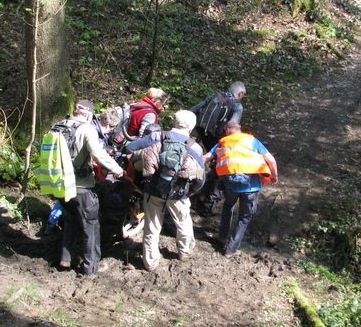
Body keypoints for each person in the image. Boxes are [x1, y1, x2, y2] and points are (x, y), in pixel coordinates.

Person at [126, 110, 205, 271]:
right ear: (191, 128)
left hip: (153, 189)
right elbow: (201, 177)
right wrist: (190, 192)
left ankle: (150, 262)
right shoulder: (195, 147)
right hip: (179, 193)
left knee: (152, 226)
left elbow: (130, 148)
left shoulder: (156, 136)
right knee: (183, 223)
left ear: (174, 122)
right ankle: (184, 252)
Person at [59, 99, 125, 276]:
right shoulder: (87, 129)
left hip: (59, 184)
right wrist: (117, 169)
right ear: (89, 114)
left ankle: (66, 258)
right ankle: (91, 267)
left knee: (71, 221)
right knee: (91, 226)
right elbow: (98, 154)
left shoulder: (60, 125)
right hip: (81, 186)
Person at [204, 121, 278, 257]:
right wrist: (274, 176)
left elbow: (206, 158)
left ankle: (222, 238)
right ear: (239, 130)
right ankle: (231, 249)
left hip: (230, 186)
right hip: (251, 187)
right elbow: (271, 160)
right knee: (244, 217)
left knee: (228, 207)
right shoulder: (252, 141)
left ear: (227, 130)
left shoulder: (223, 142)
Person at [190, 81, 246, 215]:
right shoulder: (237, 106)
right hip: (218, 137)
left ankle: (194, 188)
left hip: (204, 133)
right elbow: (232, 126)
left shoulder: (215, 96)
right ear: (240, 93)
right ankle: (207, 204)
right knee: (219, 168)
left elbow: (193, 110)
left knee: (204, 159)